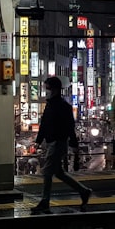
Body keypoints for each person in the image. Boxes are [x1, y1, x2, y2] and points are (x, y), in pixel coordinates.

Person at [31, 76, 93, 214]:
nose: (45, 91)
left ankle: (45, 201)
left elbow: (69, 126)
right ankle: (83, 191)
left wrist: (74, 143)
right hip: (52, 141)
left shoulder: (63, 106)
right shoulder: (50, 104)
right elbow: (44, 125)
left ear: (54, 89)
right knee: (59, 173)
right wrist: (38, 141)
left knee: (47, 172)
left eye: (47, 88)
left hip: (58, 142)